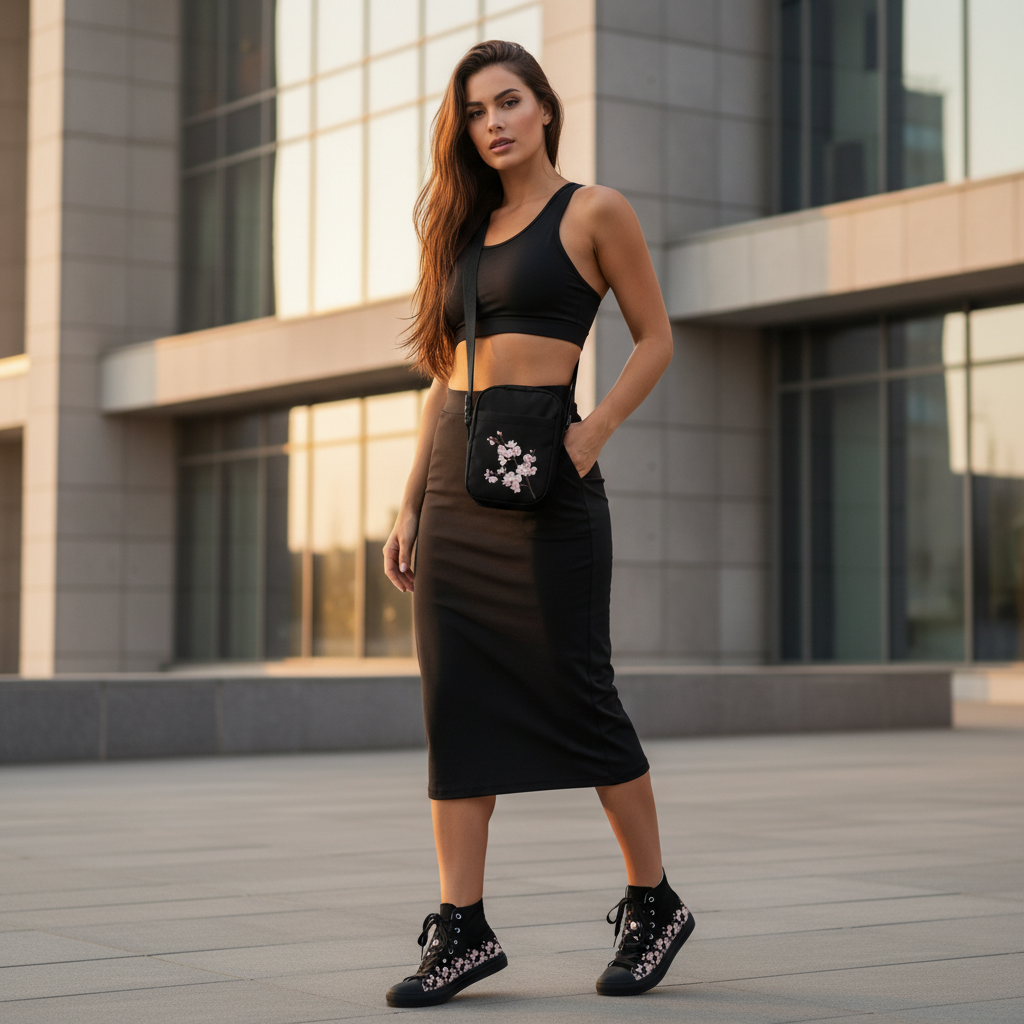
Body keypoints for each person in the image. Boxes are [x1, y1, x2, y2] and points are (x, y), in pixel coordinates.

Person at [381, 40, 693, 1007]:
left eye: (509, 102)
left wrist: (593, 433)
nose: (494, 124)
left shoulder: (593, 211)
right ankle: (462, 929)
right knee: (456, 703)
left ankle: (654, 903)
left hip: (550, 482)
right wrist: (409, 502)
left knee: (581, 693)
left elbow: (656, 337)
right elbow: (446, 377)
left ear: (545, 108)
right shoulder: (463, 230)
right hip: (454, 484)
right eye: (476, 112)